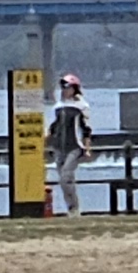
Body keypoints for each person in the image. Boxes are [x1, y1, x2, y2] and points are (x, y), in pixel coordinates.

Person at [47, 71, 97, 215]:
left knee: (66, 176)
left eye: (68, 87)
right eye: (63, 87)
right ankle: (71, 207)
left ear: (75, 89)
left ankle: (74, 208)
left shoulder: (81, 106)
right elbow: (53, 127)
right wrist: (46, 141)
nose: (65, 90)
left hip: (75, 146)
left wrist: (87, 148)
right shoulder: (58, 106)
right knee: (64, 181)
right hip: (58, 147)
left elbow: (86, 128)